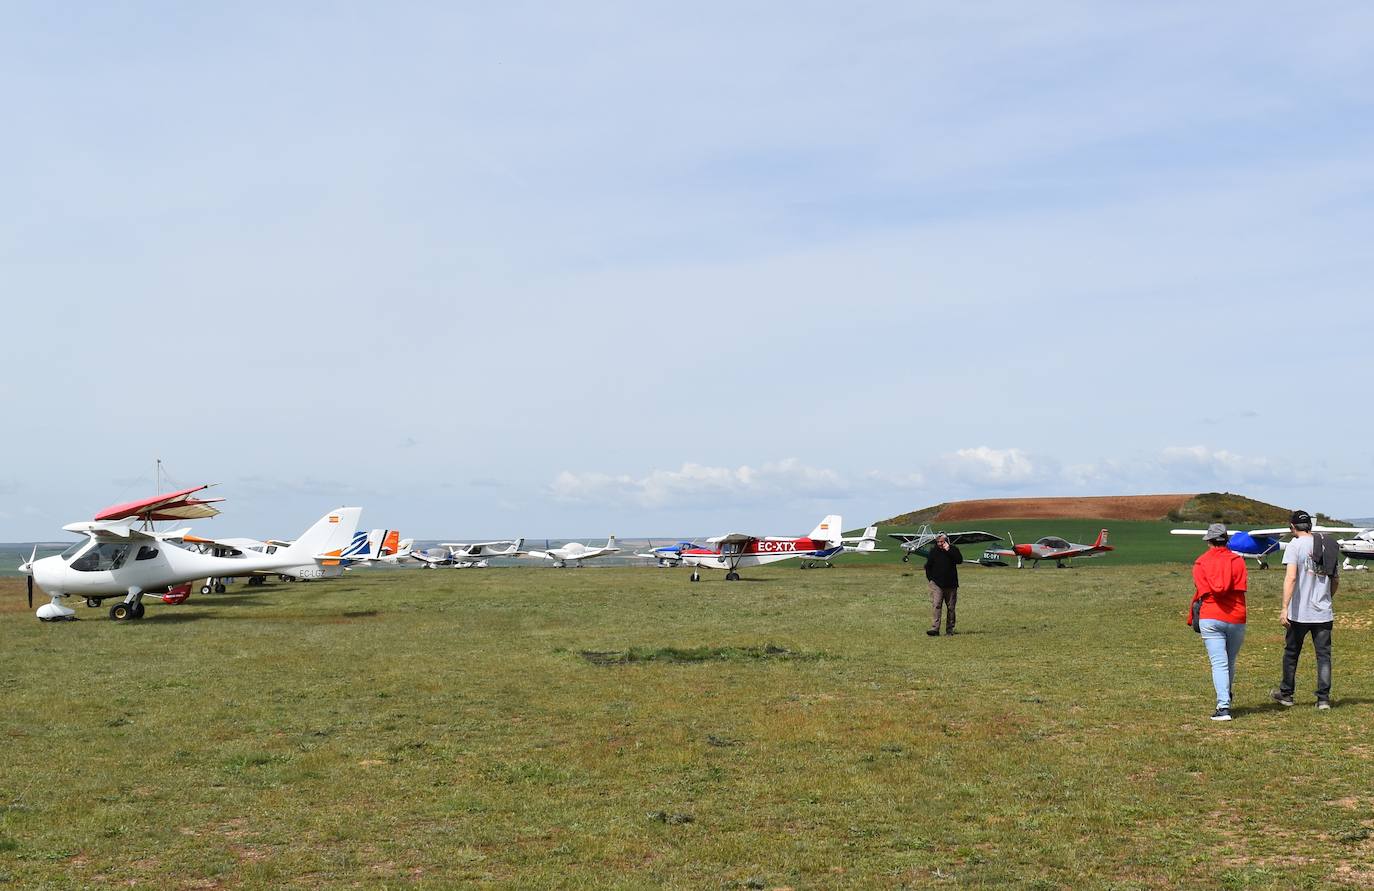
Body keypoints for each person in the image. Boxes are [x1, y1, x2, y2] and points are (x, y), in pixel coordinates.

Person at [1272, 509, 1337, 710]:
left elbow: (1291, 577)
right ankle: (1323, 699)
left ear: (1292, 527)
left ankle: (1286, 694)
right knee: (1323, 656)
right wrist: (1326, 598)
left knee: (1291, 653)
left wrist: (1284, 608)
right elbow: (1335, 580)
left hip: (1299, 612)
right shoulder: (1327, 545)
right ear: (1310, 526)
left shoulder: (1294, 546)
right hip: (1323, 611)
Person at [1188, 523, 1247, 721]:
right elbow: (1240, 587)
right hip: (1237, 616)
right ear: (1226, 540)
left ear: (1209, 542)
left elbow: (1203, 591)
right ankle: (1225, 697)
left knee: (1219, 664)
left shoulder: (1200, 563)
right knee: (1229, 661)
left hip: (1211, 615)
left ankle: (1223, 707)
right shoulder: (1238, 561)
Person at [924, 533, 962, 637]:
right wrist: (930, 580)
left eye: (942, 542)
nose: (940, 544)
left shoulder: (953, 549)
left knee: (951, 607)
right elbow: (928, 566)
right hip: (937, 584)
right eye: (938, 542)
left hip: (951, 584)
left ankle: (949, 630)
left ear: (946, 541)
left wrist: (948, 550)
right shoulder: (933, 551)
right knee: (936, 605)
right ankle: (935, 629)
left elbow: (959, 560)